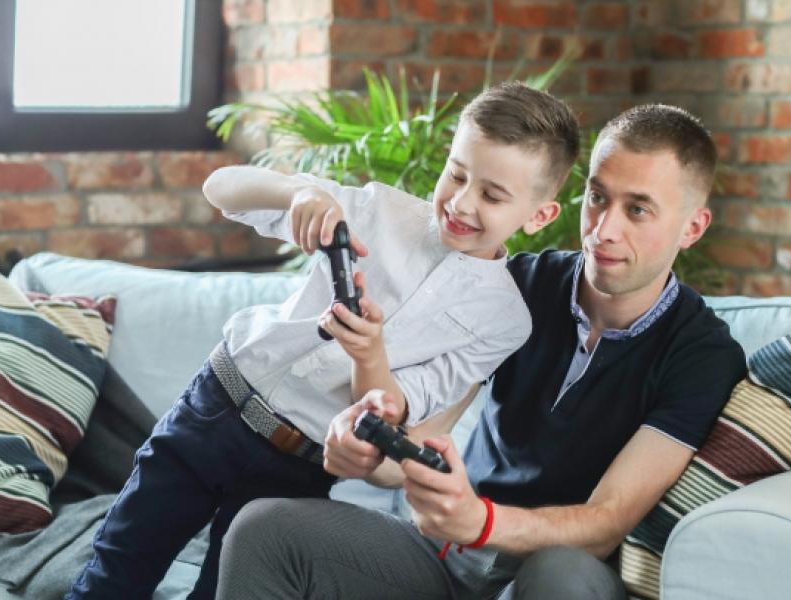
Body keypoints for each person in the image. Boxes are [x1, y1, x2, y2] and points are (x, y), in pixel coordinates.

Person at [66, 82, 581, 599]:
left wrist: (369, 355)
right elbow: (221, 188)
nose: (462, 202)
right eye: (457, 174)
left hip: (296, 467)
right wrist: (298, 193)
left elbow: (395, 408)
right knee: (115, 572)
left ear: (539, 215)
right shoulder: (377, 209)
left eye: (492, 195)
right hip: (214, 410)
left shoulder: (502, 322)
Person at [213, 104, 749, 600]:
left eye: (638, 210)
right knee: (266, 528)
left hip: (555, 573)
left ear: (692, 227)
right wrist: (371, 453)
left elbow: (605, 521)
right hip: (447, 556)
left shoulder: (703, 355)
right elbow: (410, 452)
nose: (604, 230)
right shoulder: (513, 291)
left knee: (558, 570)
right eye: (598, 197)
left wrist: (484, 521)